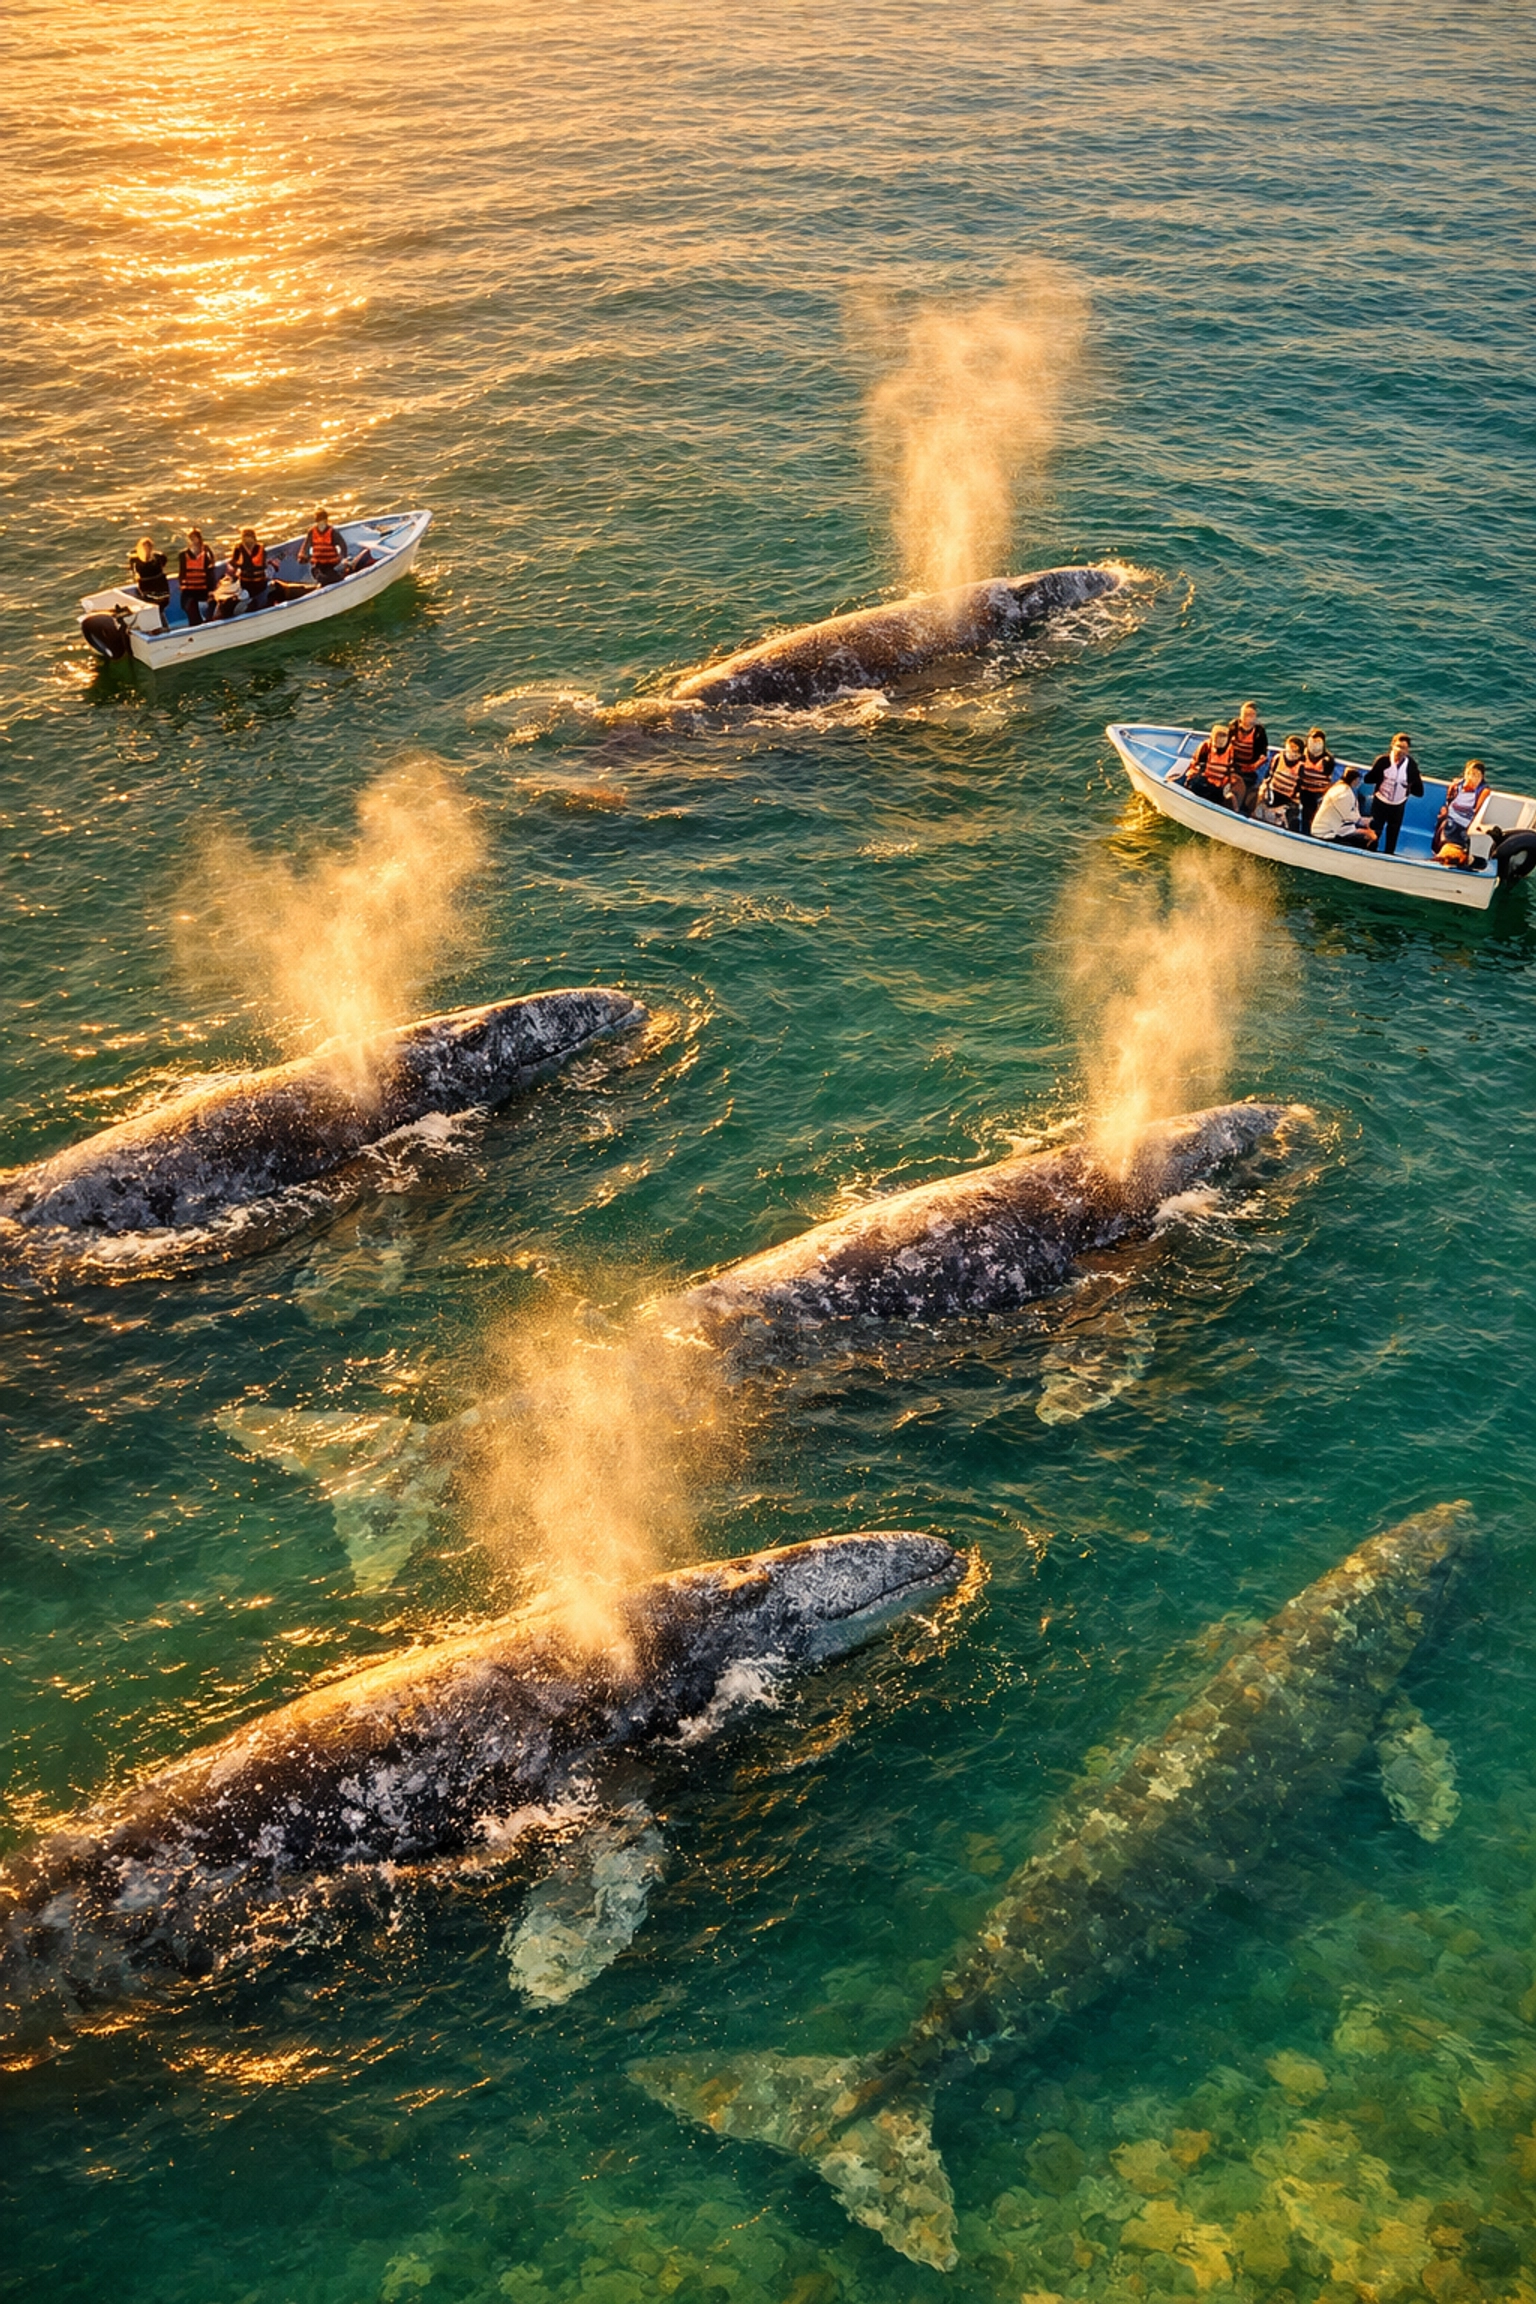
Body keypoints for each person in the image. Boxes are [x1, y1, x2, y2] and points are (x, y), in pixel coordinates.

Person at [1365, 733, 1423, 856]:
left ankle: (1389, 856)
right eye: (1397, 746)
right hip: (1380, 803)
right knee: (1374, 833)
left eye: (1404, 748)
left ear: (1408, 751)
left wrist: (1407, 786)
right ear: (1392, 745)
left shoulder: (1411, 766)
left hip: (1398, 806)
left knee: (1393, 834)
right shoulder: (1382, 761)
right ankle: (1369, 854)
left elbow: (1419, 791)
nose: (1400, 751)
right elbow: (1368, 779)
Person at [1311, 765, 1378, 849]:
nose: (1359, 782)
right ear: (1354, 780)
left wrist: (1363, 822)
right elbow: (1346, 817)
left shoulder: (1339, 787)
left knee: (1367, 834)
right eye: (1358, 780)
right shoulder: (1344, 794)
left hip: (1336, 827)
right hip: (1326, 833)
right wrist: (1364, 828)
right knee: (1364, 840)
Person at [1433, 760, 1489, 854]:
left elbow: (1477, 812)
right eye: (1468, 773)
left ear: (1481, 776)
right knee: (1443, 828)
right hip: (1451, 816)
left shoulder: (1483, 791)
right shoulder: (1459, 784)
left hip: (1465, 821)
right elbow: (1450, 800)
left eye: (1475, 774)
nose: (1471, 777)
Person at [1225, 700, 1269, 818]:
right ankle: (1231, 802)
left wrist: (1253, 767)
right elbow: (1226, 746)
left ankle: (1245, 808)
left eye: (1251, 715)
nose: (1248, 718)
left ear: (1255, 717)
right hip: (1233, 765)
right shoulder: (1233, 726)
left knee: (1248, 789)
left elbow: (1263, 754)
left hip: (1250, 768)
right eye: (1245, 714)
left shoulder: (1259, 732)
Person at [1184, 722, 1237, 806]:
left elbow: (1232, 770)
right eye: (1217, 740)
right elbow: (1196, 766)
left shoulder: (1231, 751)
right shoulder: (1205, 747)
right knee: (1196, 784)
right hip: (1203, 780)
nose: (1220, 743)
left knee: (1224, 795)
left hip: (1219, 785)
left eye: (1223, 740)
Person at [1260, 733, 1306, 831]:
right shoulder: (1277, 758)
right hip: (1273, 793)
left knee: (1293, 820)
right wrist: (1264, 788)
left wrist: (1293, 801)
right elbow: (1268, 775)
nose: (1291, 755)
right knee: (1263, 807)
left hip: (1289, 798)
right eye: (1289, 751)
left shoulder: (1301, 767)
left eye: (1295, 753)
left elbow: (1300, 787)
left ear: (1300, 754)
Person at [1298, 727, 1336, 835]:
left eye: (1318, 742)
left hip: (1318, 791)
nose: (1314, 745)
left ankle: (1310, 831)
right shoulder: (1302, 755)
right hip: (1303, 788)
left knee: (1313, 810)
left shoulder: (1327, 759)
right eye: (1312, 742)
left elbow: (1329, 776)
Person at [178, 528, 217, 626]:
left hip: (204, 592)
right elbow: (181, 575)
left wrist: (210, 592)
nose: (194, 542)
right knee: (191, 609)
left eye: (195, 539)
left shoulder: (206, 556)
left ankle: (208, 624)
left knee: (212, 605)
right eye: (191, 539)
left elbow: (210, 575)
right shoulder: (183, 555)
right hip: (188, 593)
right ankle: (196, 627)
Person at [299, 507, 346, 584]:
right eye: (319, 520)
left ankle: (333, 576)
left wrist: (342, 557)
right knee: (319, 573)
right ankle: (321, 577)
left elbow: (342, 545)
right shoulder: (312, 532)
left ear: (326, 520)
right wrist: (303, 556)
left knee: (332, 577)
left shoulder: (332, 532)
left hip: (332, 564)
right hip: (318, 563)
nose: (321, 523)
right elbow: (306, 546)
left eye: (322, 520)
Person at [228, 528, 271, 611]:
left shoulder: (259, 549)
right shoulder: (239, 549)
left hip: (256, 584)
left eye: (248, 537)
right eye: (245, 537)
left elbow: (234, 564)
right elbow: (233, 563)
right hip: (250, 585)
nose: (247, 540)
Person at [128, 535, 170, 614]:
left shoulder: (158, 557)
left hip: (156, 588)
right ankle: (162, 624)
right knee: (156, 609)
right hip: (153, 588)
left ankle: (162, 624)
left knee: (157, 608)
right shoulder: (135, 560)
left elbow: (134, 572)